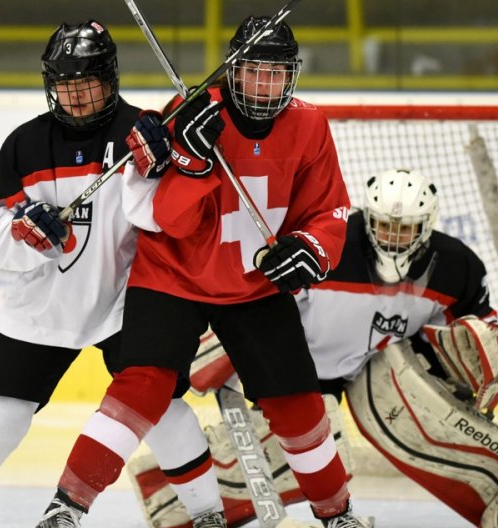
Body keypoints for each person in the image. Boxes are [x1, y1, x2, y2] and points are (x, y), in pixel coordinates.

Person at [34, 14, 368, 528]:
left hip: (254, 286)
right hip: (171, 274)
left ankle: (337, 513)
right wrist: (188, 160)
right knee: (141, 384)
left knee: (299, 404)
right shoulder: (187, 112)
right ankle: (66, 506)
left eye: (277, 74)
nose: (265, 85)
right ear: (232, 71)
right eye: (255, 71)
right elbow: (163, 217)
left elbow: (327, 211)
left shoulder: (309, 125)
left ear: (292, 76)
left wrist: (311, 248)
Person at [0, 20, 225, 528]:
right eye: (65, 84)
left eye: (86, 82)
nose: (76, 95)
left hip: (130, 301)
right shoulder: (24, 144)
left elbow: (161, 217)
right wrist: (24, 233)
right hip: (45, 304)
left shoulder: (143, 132)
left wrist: (163, 164)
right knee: (3, 411)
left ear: (110, 79)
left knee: (162, 408)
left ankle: (208, 514)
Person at [142, 169, 498, 528]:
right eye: (385, 226)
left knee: (433, 418)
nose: (394, 238)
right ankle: (168, 500)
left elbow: (477, 324)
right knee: (314, 448)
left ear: (427, 225)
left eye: (406, 228)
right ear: (367, 219)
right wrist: (215, 348)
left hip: (371, 363)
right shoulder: (330, 245)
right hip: (293, 363)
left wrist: (480, 355)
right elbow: (252, 299)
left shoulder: (456, 266)